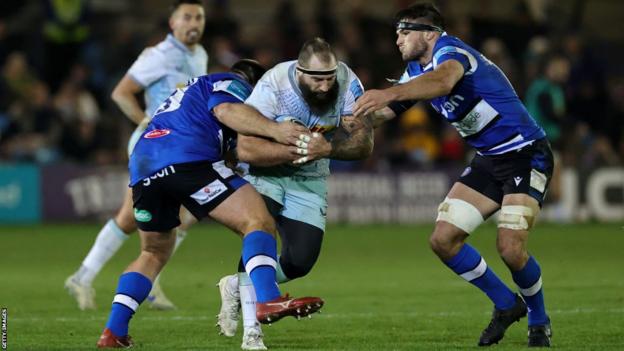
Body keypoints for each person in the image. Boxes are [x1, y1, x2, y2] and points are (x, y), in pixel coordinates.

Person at [353, 3, 553, 348]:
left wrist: (390, 92)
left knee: (510, 248)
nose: (397, 40)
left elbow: (444, 80)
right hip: (490, 159)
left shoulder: (451, 50)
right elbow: (383, 112)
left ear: (429, 33)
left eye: (404, 32)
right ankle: (507, 305)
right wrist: (332, 128)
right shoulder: (415, 69)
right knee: (442, 241)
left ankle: (539, 320)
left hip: (525, 154)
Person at [96, 59, 325, 348]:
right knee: (258, 221)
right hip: (186, 160)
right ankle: (267, 299)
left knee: (153, 251)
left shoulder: (189, 93)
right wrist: (278, 133)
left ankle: (113, 331)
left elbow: (234, 149)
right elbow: (226, 109)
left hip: (144, 166)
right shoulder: (234, 85)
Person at [216, 38, 374, 350]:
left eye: (329, 78)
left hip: (311, 178)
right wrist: (291, 151)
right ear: (299, 73)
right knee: (259, 232)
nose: (325, 86)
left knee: (300, 261)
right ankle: (252, 333)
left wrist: (326, 147)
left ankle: (237, 284)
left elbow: (364, 144)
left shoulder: (347, 82)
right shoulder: (274, 84)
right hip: (267, 175)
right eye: (316, 79)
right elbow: (245, 147)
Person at [65, 0, 208, 311]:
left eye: (198, 16)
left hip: (180, 147)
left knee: (178, 215)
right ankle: (103, 277)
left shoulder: (199, 55)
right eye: (186, 16)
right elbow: (121, 91)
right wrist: (145, 121)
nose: (193, 22)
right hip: (153, 146)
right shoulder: (160, 55)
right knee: (143, 217)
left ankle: (98, 276)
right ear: (173, 23)